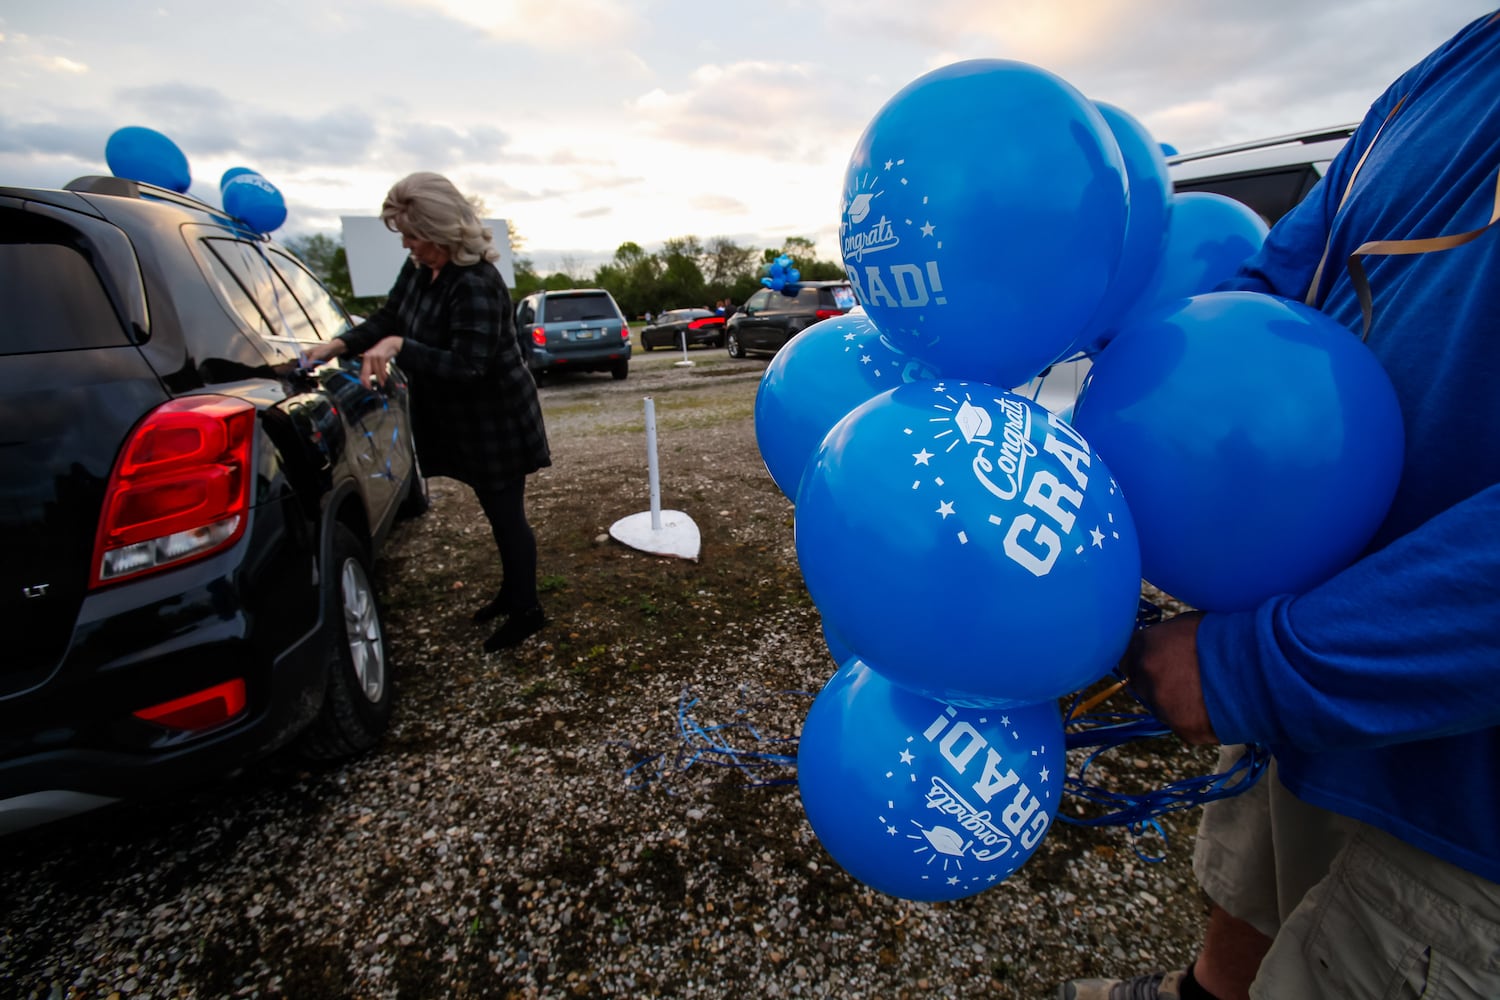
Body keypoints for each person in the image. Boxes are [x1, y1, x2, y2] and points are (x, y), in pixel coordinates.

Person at [1063, 11, 1500, 1000]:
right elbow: (1273, 287)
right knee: (1256, 892)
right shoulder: (1450, 72)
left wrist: (1264, 664)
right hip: (1317, 651)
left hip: (1473, 801)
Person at [302, 172, 552, 653]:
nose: (407, 246)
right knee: (492, 510)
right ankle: (512, 592)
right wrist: (336, 344)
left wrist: (399, 348)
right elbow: (388, 317)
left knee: (506, 515)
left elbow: (470, 366)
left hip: (496, 419)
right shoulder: (421, 269)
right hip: (461, 418)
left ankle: (528, 610)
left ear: (440, 231)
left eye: (412, 235)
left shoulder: (476, 282)